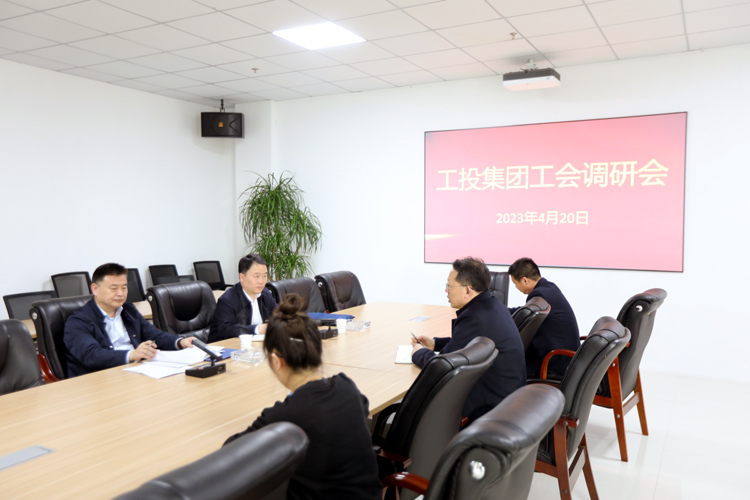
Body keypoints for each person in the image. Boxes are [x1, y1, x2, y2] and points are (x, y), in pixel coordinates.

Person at [223, 294, 382, 500]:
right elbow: (361, 409)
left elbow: (231, 451)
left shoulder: (285, 415)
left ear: (276, 361)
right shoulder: (346, 386)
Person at [411, 257, 526, 423]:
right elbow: (470, 344)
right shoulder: (492, 305)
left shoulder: (473, 318)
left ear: (467, 290)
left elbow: (442, 366)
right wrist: (435, 343)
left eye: (449, 286)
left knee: (421, 400)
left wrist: (418, 353)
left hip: (491, 409)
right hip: (510, 399)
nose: (446, 290)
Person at [64, 263, 194, 378]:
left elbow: (154, 334)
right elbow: (91, 355)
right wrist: (132, 355)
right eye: (113, 288)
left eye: (124, 287)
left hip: (137, 372)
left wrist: (180, 342)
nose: (120, 293)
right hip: (101, 381)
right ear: (95, 289)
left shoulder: (128, 310)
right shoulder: (78, 321)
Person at [508, 257, 580, 379]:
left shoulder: (539, 294)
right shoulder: (548, 288)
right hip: (567, 357)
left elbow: (526, 313)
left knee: (510, 364)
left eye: (515, 283)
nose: (516, 287)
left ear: (525, 280)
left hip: (556, 362)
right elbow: (524, 310)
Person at [208, 254, 278, 343]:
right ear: (242, 277)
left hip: (255, 346)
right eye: (256, 276)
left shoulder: (265, 294)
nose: (261, 281)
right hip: (225, 347)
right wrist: (258, 329)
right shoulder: (227, 300)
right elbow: (226, 329)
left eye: (264, 276)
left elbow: (278, 315)